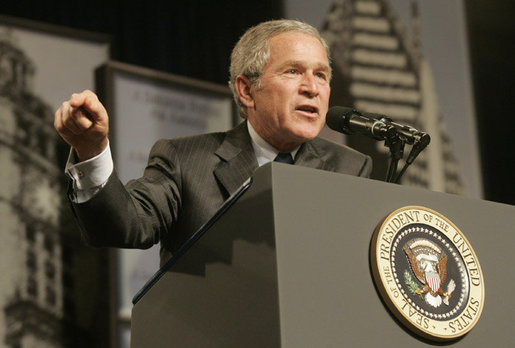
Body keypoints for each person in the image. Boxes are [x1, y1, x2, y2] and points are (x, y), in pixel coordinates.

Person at [54, 19, 372, 265]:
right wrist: (92, 149)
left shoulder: (348, 168)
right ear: (247, 90)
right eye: (293, 71)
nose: (312, 88)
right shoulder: (185, 160)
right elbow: (124, 226)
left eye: (321, 75)